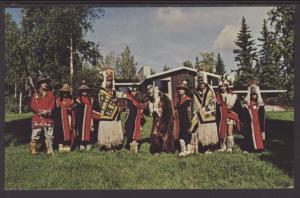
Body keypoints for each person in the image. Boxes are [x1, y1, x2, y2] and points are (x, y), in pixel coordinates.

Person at [94, 68, 123, 151]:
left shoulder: (114, 91)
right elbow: (101, 102)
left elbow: (117, 99)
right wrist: (112, 101)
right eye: (108, 81)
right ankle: (106, 144)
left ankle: (114, 143)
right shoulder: (102, 90)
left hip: (114, 114)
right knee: (106, 128)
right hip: (105, 114)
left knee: (114, 127)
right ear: (105, 81)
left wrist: (117, 102)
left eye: (110, 82)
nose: (109, 83)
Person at [190, 75, 219, 154]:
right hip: (199, 114)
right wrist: (196, 111)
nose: (201, 84)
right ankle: (201, 146)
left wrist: (205, 109)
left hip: (209, 115)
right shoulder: (195, 92)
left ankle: (209, 147)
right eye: (200, 83)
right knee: (198, 129)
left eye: (203, 83)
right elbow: (194, 104)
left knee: (209, 131)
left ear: (205, 83)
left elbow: (213, 102)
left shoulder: (210, 91)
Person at [30, 75, 55, 156]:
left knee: (49, 135)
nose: (45, 84)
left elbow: (52, 105)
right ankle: (34, 150)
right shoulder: (36, 94)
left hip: (48, 117)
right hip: (38, 117)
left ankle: (49, 150)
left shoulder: (50, 94)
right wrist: (39, 111)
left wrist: (47, 111)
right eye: (43, 82)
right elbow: (32, 105)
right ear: (40, 84)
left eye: (46, 82)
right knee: (35, 134)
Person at [147, 85, 176, 154]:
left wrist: (165, 120)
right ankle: (156, 150)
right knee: (155, 133)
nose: (151, 95)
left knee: (166, 133)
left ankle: (169, 149)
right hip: (157, 118)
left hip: (166, 118)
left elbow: (169, 110)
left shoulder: (165, 98)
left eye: (152, 93)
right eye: (149, 93)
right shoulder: (152, 99)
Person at [215, 79, 241, 153]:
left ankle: (229, 147)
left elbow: (236, 106)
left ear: (227, 87)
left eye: (224, 86)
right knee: (221, 130)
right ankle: (223, 146)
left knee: (229, 131)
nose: (223, 88)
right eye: (221, 86)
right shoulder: (217, 96)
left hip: (229, 115)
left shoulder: (231, 95)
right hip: (221, 115)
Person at [241, 84, 265, 153]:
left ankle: (259, 149)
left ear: (257, 95)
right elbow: (244, 115)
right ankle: (248, 148)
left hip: (257, 123)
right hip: (249, 123)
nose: (253, 96)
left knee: (258, 135)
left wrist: (262, 126)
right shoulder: (247, 104)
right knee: (249, 135)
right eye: (252, 95)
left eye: (255, 94)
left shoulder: (260, 104)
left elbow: (262, 116)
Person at [54, 83, 76, 152]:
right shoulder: (58, 100)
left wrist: (69, 110)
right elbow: (56, 109)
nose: (65, 94)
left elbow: (73, 109)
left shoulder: (71, 100)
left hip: (68, 117)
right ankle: (61, 144)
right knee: (60, 130)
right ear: (61, 92)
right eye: (63, 92)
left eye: (66, 92)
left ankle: (67, 143)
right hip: (60, 118)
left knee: (69, 129)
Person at [74, 81, 94, 151]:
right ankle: (82, 144)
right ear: (81, 91)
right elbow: (76, 109)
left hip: (89, 118)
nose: (84, 91)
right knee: (81, 130)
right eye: (83, 90)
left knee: (89, 130)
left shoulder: (90, 99)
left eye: (86, 90)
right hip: (81, 118)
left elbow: (93, 108)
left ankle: (89, 143)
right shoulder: (78, 99)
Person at [123, 87, 144, 153]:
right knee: (130, 130)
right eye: (132, 91)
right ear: (130, 92)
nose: (134, 93)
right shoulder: (128, 98)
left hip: (136, 117)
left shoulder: (137, 98)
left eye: (135, 91)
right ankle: (129, 146)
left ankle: (133, 145)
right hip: (130, 117)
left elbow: (140, 106)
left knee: (135, 131)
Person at [175, 81, 193, 156]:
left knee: (185, 135)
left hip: (186, 120)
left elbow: (189, 112)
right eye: (179, 89)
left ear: (185, 90)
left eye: (181, 89)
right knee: (182, 135)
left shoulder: (188, 100)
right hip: (180, 121)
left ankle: (185, 150)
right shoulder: (178, 102)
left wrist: (190, 121)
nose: (180, 90)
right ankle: (184, 150)